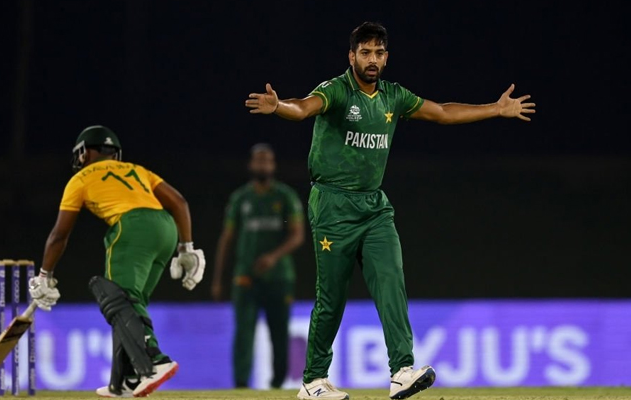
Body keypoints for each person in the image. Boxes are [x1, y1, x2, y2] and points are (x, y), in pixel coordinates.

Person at [244, 22, 535, 400]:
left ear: (386, 57)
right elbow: (302, 109)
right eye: (365, 52)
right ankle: (313, 382)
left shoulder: (393, 97)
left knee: (391, 281)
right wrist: (278, 106)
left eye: (379, 53)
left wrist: (496, 108)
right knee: (331, 297)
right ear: (351, 56)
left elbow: (443, 113)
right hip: (332, 204)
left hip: (374, 206)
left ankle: (401, 370)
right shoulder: (337, 90)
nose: (372, 60)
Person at [28, 126, 206, 398]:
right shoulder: (137, 170)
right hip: (166, 229)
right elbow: (179, 202)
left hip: (131, 227)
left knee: (118, 298)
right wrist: (186, 248)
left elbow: (59, 235)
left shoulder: (81, 178)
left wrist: (44, 274)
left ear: (86, 152)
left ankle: (153, 359)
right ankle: (126, 378)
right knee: (131, 305)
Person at [211, 143, 305, 389]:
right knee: (243, 332)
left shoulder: (285, 197)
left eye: (267, 161)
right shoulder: (241, 198)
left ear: (273, 165)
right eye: (259, 161)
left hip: (279, 277)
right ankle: (241, 385)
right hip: (246, 276)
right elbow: (227, 238)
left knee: (279, 333)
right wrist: (218, 279)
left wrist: (273, 256)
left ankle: (277, 383)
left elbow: (297, 235)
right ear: (251, 165)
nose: (263, 165)